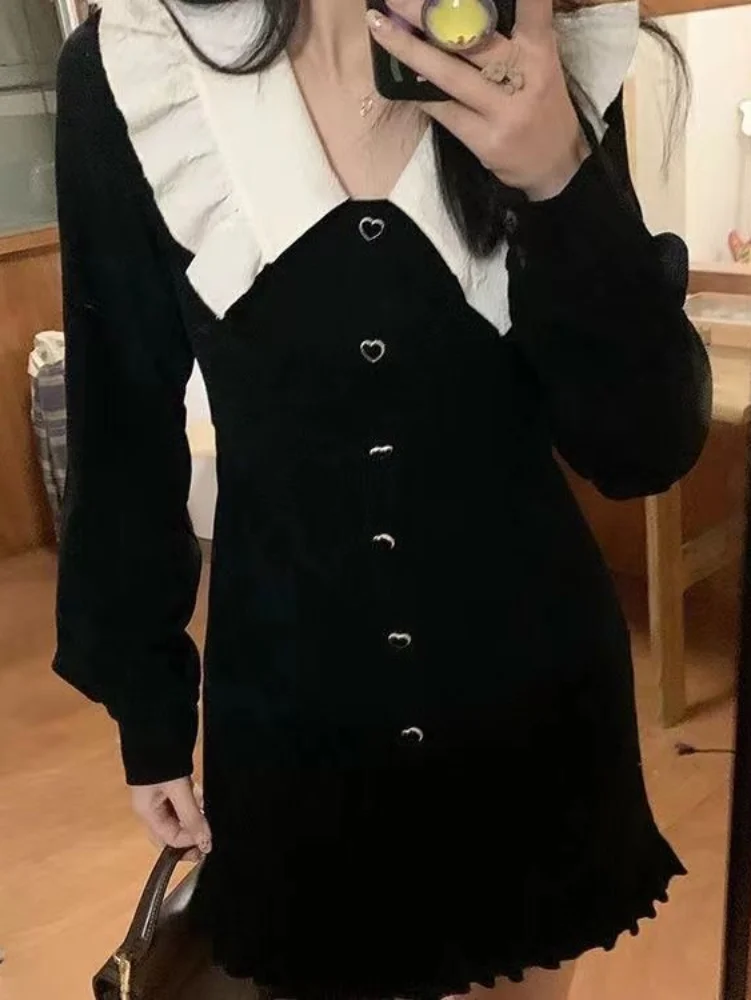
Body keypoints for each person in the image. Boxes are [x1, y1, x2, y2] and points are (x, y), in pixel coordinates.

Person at [52, 0, 711, 996]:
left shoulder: (542, 44)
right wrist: (147, 709)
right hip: (291, 726)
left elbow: (641, 445)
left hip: (531, 718)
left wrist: (558, 176)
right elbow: (122, 429)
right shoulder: (137, 66)